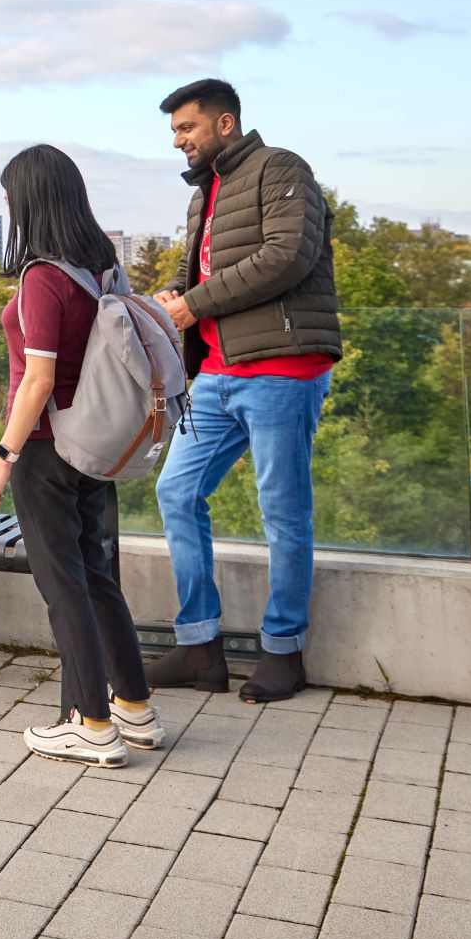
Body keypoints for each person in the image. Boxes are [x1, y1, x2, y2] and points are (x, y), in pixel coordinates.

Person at [148, 79, 341, 704]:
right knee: (176, 490)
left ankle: (284, 651)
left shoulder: (281, 169)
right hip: (218, 373)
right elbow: (194, 268)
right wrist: (172, 298)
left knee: (283, 512)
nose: (178, 141)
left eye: (186, 128)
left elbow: (289, 256)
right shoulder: (205, 192)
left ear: (224, 123)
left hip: (284, 367)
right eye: (175, 131)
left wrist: (194, 303)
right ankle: (200, 646)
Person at [0, 146, 158, 767]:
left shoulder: (43, 276)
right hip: (96, 447)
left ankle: (89, 721)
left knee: (63, 585)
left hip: (49, 449)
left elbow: (38, 380)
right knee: (97, 577)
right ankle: (134, 707)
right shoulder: (102, 266)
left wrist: (4, 455)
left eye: (9, 196)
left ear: (31, 199)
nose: (6, 205)